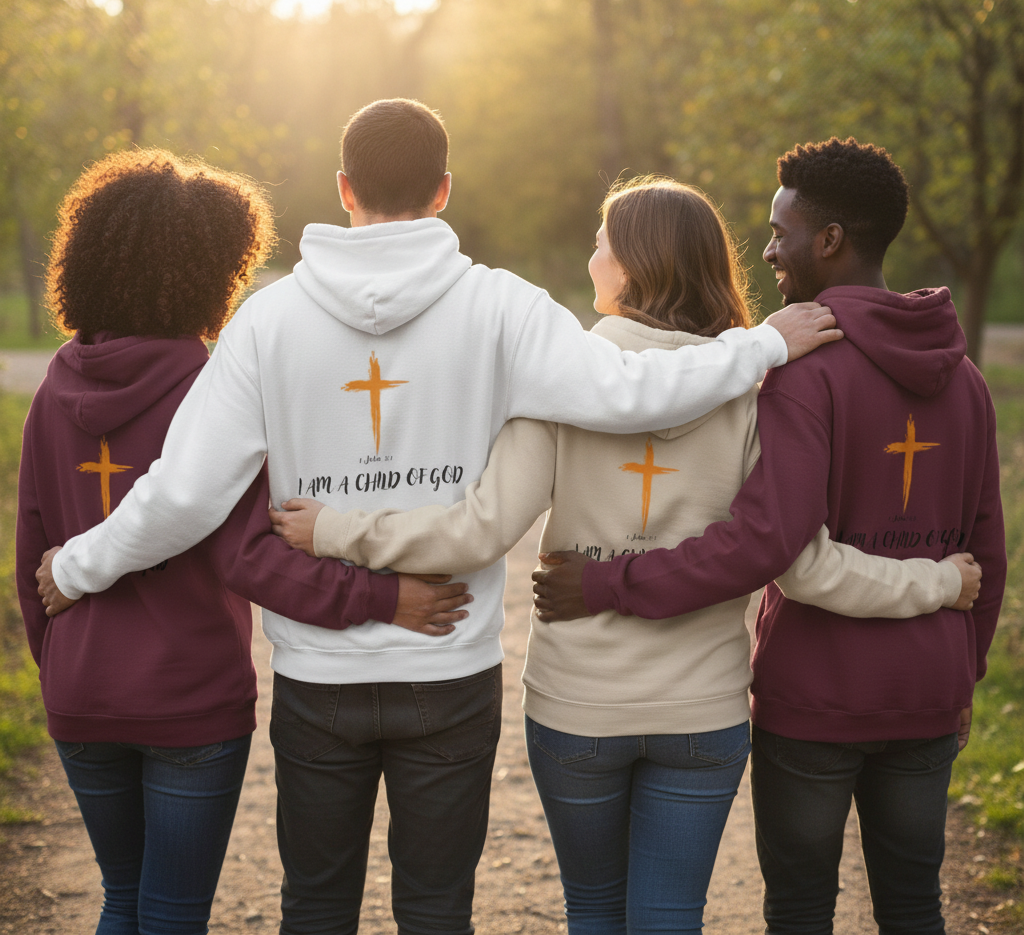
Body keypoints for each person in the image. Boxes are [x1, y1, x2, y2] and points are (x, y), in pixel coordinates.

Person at [37, 100, 843, 935]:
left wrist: (75, 568)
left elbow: (183, 493)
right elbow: (629, 392)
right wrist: (763, 345)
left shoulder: (265, 324)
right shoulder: (503, 307)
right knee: (434, 909)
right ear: (445, 190)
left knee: (315, 905)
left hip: (319, 677)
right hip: (447, 663)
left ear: (343, 188)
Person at [268, 177, 980, 935]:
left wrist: (338, 530)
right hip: (700, 708)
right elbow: (786, 553)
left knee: (595, 913)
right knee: (671, 917)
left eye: (603, 241)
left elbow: (477, 531)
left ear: (637, 264)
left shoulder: (556, 380)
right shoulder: (754, 388)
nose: (591, 255)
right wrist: (939, 584)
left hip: (581, 705)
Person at [531, 139, 1005, 934]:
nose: (770, 249)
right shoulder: (968, 381)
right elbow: (988, 548)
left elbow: (777, 546)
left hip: (813, 695)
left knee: (798, 905)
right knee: (917, 903)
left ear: (830, 240)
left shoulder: (804, 372)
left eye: (782, 231)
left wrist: (608, 582)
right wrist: (966, 667)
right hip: (929, 688)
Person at [17, 149, 470, 935]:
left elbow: (35, 552)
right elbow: (246, 554)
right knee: (170, 912)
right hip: (190, 699)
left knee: (120, 901)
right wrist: (383, 596)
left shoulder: (56, 383)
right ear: (213, 272)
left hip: (79, 692)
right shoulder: (214, 382)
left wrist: (59, 663)